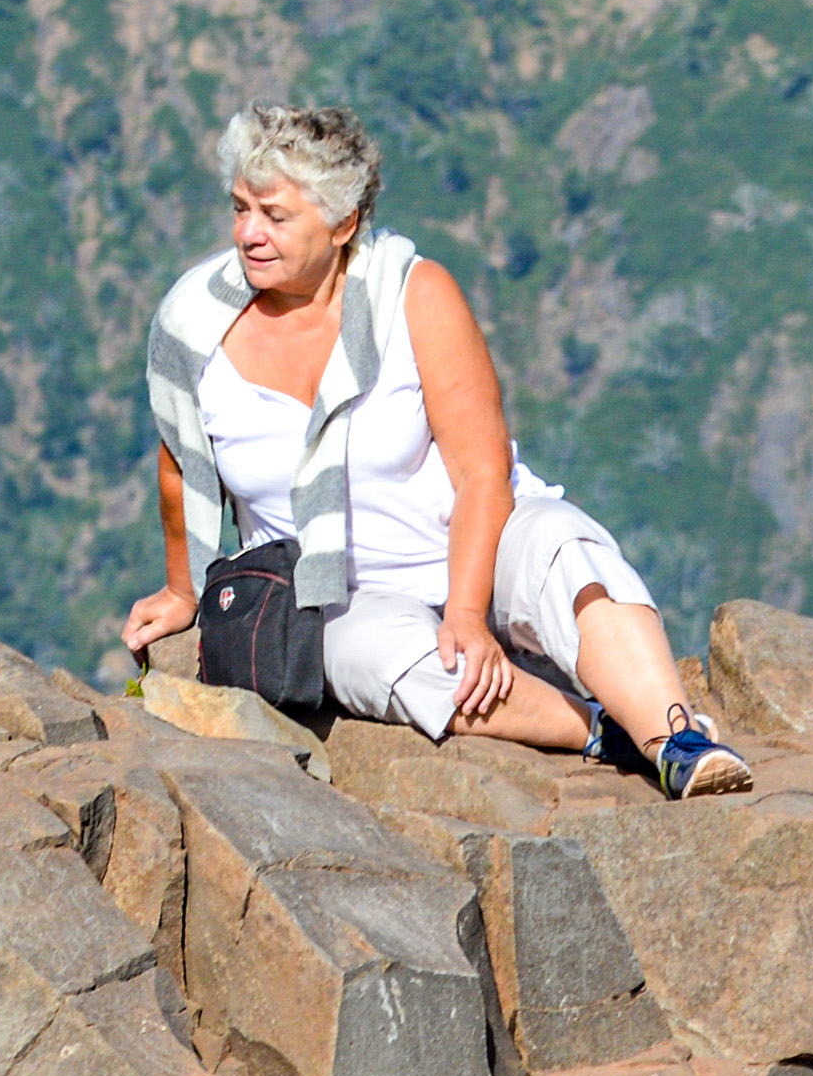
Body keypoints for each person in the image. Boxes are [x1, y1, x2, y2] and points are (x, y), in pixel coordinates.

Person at [126, 105, 754, 798]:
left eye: (274, 216)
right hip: (338, 592)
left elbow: (483, 471)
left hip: (475, 545)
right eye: (240, 208)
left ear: (343, 225)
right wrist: (185, 591)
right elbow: (181, 466)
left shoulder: (415, 296)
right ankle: (603, 730)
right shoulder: (195, 327)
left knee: (564, 550)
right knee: (378, 660)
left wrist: (465, 611)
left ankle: (676, 737)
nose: (249, 233)